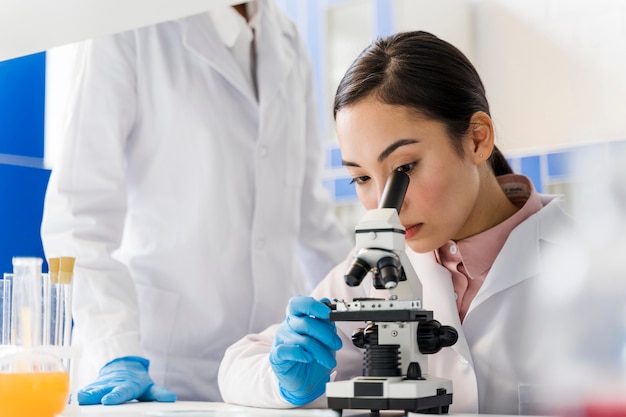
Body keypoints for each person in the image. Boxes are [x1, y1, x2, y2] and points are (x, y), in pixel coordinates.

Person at [217, 30, 580, 414]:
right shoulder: (383, 262)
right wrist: (286, 380)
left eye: (405, 167)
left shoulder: (594, 264)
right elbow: (238, 365)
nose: (383, 206)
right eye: (361, 178)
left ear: (477, 139)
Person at [40, 0, 353, 405]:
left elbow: (312, 219)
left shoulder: (288, 39)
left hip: (266, 371)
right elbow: (78, 216)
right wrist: (116, 351)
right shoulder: (129, 23)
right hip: (160, 369)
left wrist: (375, 306)